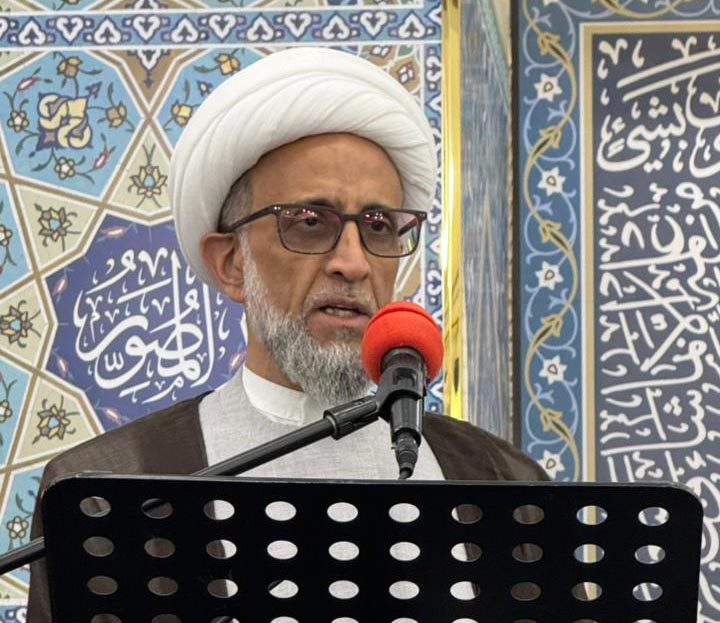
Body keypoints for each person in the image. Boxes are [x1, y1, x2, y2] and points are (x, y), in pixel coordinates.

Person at [26, 47, 547, 621]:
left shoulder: (502, 480)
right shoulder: (111, 493)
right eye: (309, 222)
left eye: (378, 226)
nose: (352, 262)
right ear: (231, 263)